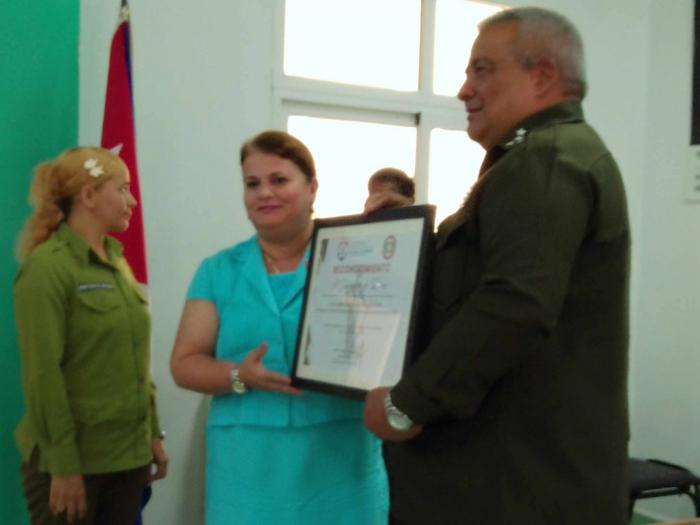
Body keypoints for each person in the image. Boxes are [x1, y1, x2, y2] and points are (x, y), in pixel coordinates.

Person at [363, 7, 630, 524]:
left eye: (481, 70)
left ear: (543, 76)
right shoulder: (541, 158)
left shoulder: (546, 159)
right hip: (508, 479)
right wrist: (407, 236)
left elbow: (515, 302)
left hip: (512, 487)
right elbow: (485, 273)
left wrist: (405, 405)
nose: (464, 90)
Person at [170, 130, 388, 525]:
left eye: (279, 180)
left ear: (312, 188)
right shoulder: (217, 270)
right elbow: (185, 363)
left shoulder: (356, 256)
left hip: (340, 464)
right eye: (252, 183)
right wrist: (240, 375)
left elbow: (391, 338)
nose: (264, 193)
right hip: (246, 473)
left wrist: (391, 227)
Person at [14, 147, 168, 525]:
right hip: (74, 466)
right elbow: (43, 376)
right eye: (123, 189)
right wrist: (64, 466)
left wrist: (152, 432)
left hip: (127, 459)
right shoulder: (47, 269)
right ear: (88, 195)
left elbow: (134, 360)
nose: (133, 201)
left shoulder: (116, 260)